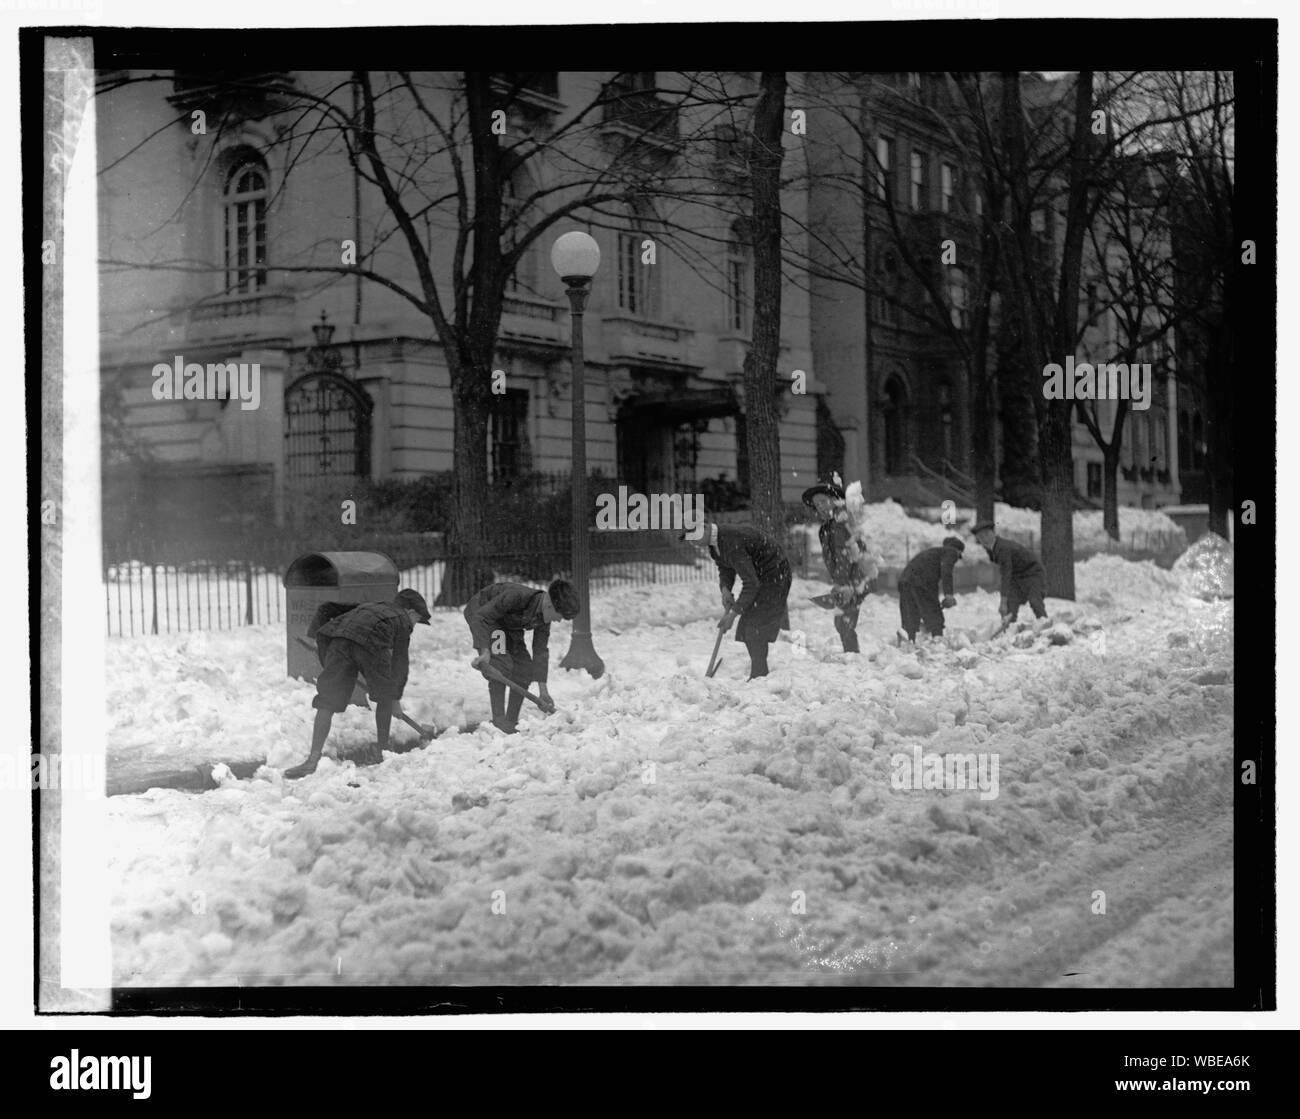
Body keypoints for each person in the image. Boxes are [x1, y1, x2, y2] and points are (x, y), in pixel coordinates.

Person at [286, 588, 431, 779]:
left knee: (327, 700)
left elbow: (327, 608)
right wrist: (393, 697)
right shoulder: (402, 621)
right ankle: (383, 753)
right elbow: (399, 663)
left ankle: (312, 759)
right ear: (410, 612)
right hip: (371, 643)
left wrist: (313, 635)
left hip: (338, 641)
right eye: (417, 620)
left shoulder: (368, 606)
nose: (414, 625)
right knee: (385, 696)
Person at [463, 579, 579, 733]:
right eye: (559, 616)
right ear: (550, 605)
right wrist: (485, 651)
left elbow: (540, 650)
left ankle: (510, 722)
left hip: (508, 624)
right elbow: (482, 617)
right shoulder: (515, 596)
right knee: (501, 664)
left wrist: (543, 690)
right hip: (484, 615)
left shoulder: (545, 613)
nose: (558, 620)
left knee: (524, 668)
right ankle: (499, 722)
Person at [691, 522, 793, 679]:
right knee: (748, 628)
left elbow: (751, 584)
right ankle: (759, 674)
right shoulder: (715, 544)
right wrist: (725, 589)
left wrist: (732, 614)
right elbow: (725, 567)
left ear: (704, 527)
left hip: (775, 576)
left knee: (754, 627)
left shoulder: (730, 541)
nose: (692, 542)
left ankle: (759, 676)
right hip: (762, 577)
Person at [802, 480, 872, 653]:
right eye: (817, 504)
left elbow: (845, 554)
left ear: (834, 501)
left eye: (824, 502)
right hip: (846, 579)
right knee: (842, 622)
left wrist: (846, 584)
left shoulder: (841, 522)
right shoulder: (827, 527)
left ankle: (853, 658)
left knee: (844, 621)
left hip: (855, 578)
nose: (821, 507)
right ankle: (852, 655)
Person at [972, 520, 1048, 625]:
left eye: (986, 534)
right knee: (1010, 607)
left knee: (1035, 601)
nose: (984, 539)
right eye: (980, 537)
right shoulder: (991, 548)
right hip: (1017, 576)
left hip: (1032, 573)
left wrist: (1002, 602)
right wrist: (1005, 602)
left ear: (993, 533)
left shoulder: (1002, 548)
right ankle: (1009, 631)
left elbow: (1006, 573)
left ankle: (1045, 625)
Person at [897, 536, 965, 643]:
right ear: (958, 551)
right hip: (921, 582)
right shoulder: (951, 552)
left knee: (910, 618)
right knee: (935, 618)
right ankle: (938, 644)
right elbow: (946, 570)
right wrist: (949, 594)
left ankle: (906, 646)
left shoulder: (933, 553)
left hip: (905, 580)